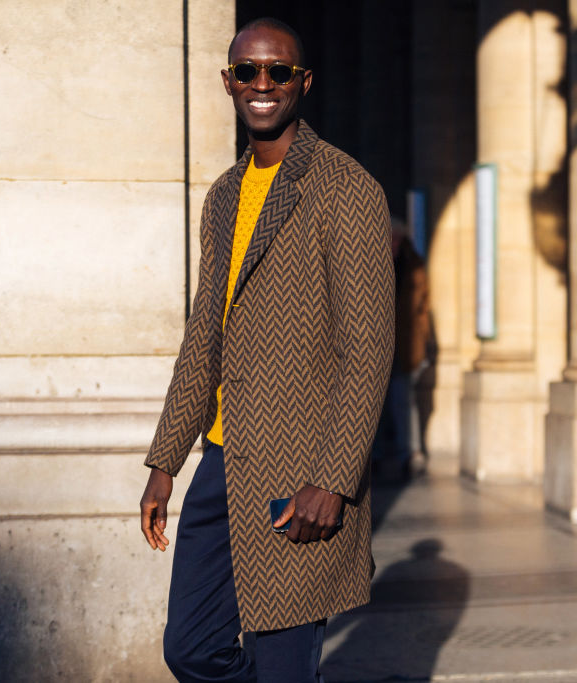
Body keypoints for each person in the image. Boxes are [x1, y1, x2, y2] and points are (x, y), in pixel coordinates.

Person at [138, 17, 394, 683]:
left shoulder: (346, 189)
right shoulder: (223, 196)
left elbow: (367, 349)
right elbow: (204, 338)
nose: (262, 83)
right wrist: (167, 459)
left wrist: (333, 478)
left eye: (278, 71)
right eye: (248, 71)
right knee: (191, 647)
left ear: (302, 82)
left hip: (301, 470)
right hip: (223, 466)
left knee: (282, 665)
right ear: (227, 82)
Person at [372, 218, 432, 480]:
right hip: (374, 348)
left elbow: (423, 308)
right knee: (374, 405)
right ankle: (373, 457)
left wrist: (423, 342)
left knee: (402, 402)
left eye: (398, 238)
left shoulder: (413, 265)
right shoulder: (370, 259)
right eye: (391, 238)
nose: (394, 243)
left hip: (404, 347)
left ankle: (406, 453)